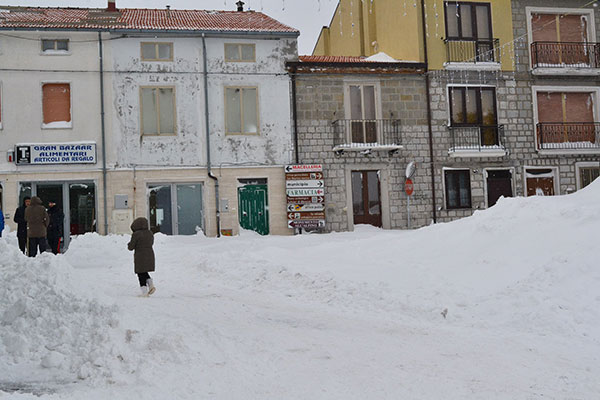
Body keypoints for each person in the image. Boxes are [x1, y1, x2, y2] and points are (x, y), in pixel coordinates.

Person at [127, 217, 156, 297]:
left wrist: (129, 244)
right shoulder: (150, 233)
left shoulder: (136, 234)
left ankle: (144, 292)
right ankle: (150, 284)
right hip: (150, 254)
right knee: (143, 271)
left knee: (140, 272)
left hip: (140, 256)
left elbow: (131, 247)